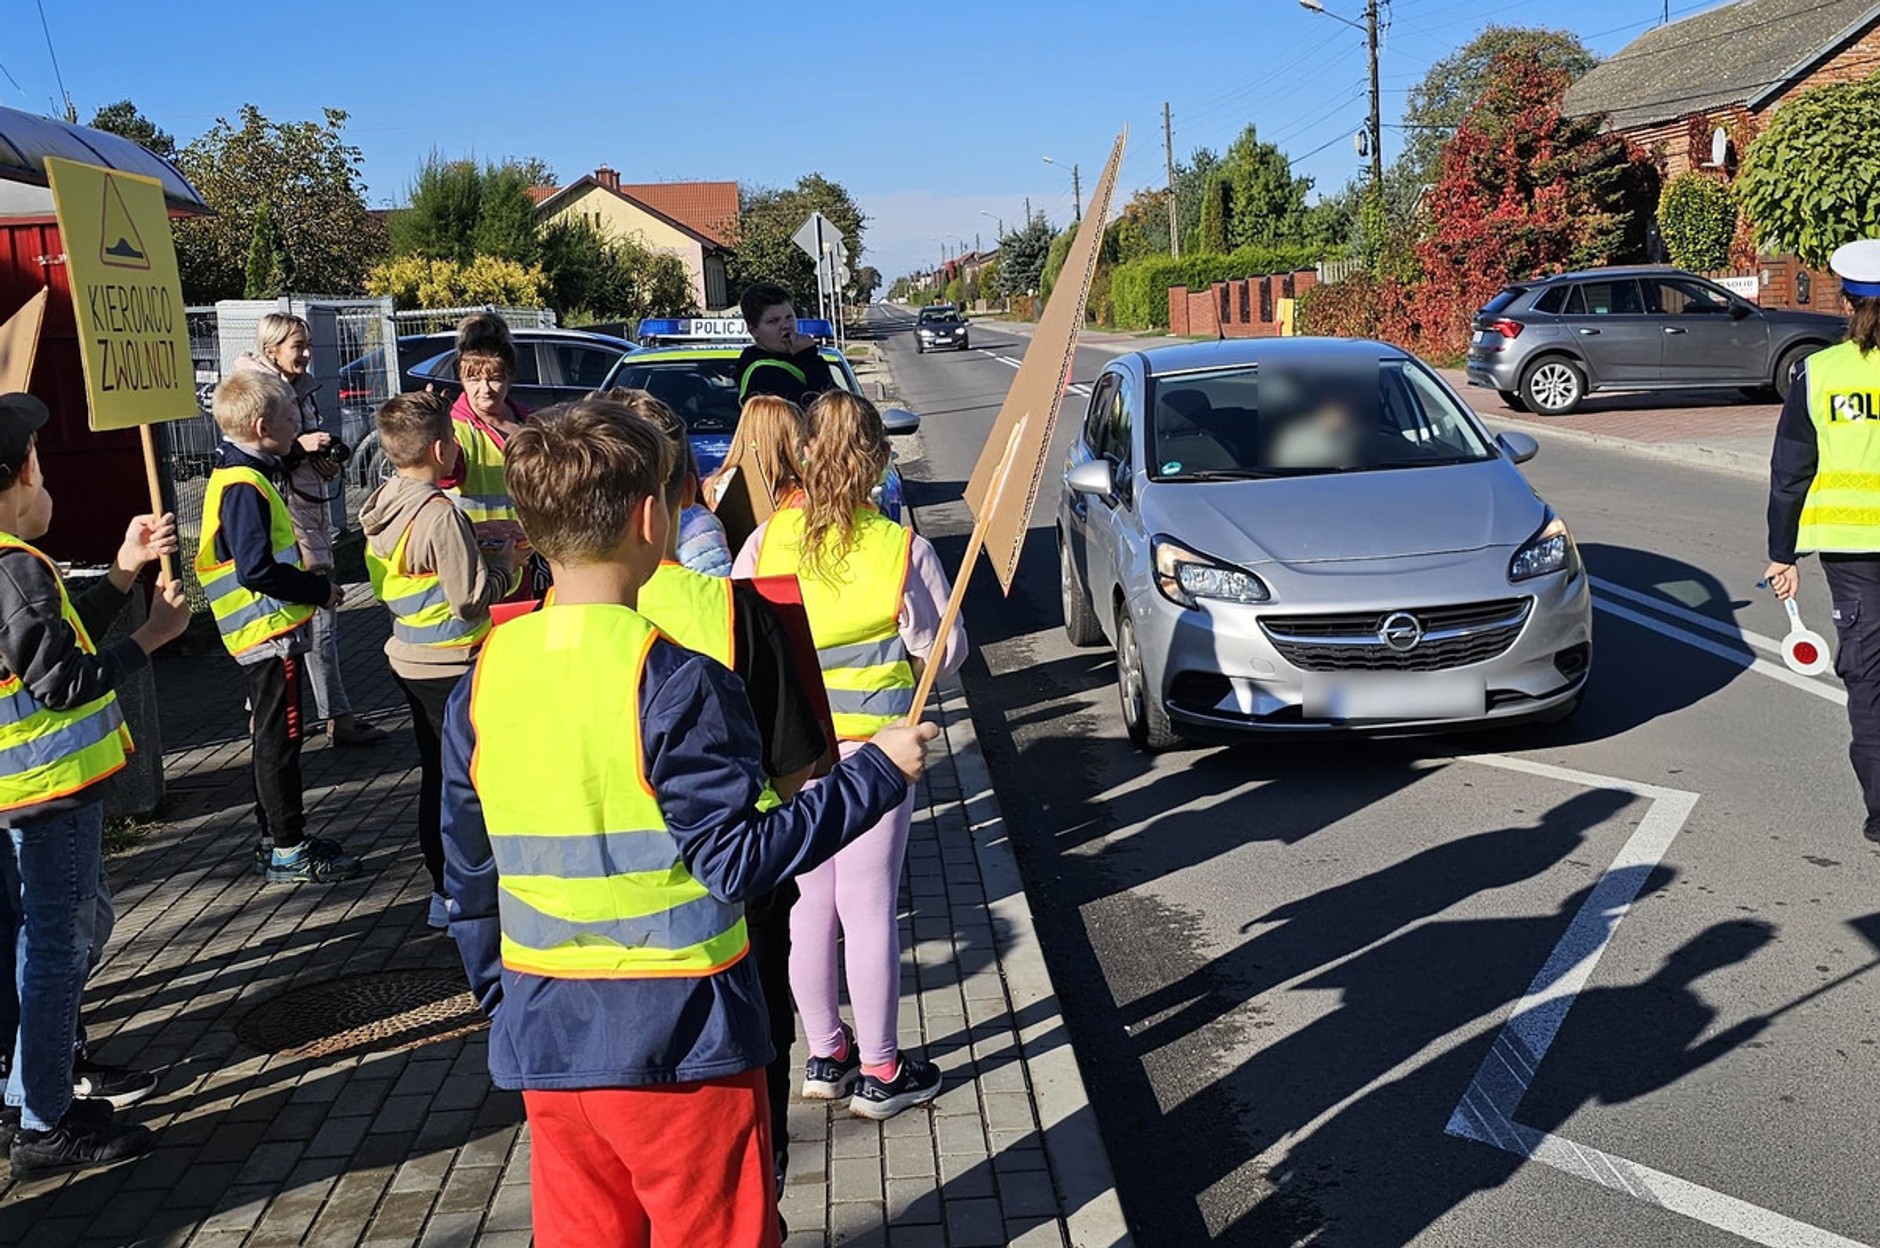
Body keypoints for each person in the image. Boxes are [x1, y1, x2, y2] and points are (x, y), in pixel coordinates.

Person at [438, 395, 936, 1247]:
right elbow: (738, 862)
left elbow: (468, 875)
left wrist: (503, 1000)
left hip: (548, 1039)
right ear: (650, 517)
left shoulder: (485, 677)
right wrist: (878, 774)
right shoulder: (674, 679)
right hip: (684, 1043)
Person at [621, 389, 829, 1211]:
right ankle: (763, 1187)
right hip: (737, 918)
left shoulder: (525, 634)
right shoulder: (737, 611)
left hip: (585, 966)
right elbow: (800, 778)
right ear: (686, 490)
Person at [734, 390, 967, 1119]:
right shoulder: (902, 549)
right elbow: (944, 654)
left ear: (804, 454)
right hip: (875, 758)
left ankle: (824, 1055)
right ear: (876, 462)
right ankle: (882, 1070)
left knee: (810, 906)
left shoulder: (766, 542)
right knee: (869, 911)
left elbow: (737, 630)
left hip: (791, 754)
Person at [0, 392, 191, 1177]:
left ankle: (30, 1093)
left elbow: (46, 638)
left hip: (26, 798)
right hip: (49, 797)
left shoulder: (14, 571)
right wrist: (153, 634)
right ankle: (45, 1123)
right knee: (60, 949)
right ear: (12, 481)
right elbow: (64, 679)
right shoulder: (14, 569)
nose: (48, 483)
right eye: (39, 467)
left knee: (37, 945)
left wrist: (119, 571)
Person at [360, 393, 522, 930]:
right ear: (439, 448)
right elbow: (470, 598)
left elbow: (415, 569)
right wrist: (505, 561)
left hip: (408, 657)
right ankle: (471, 893)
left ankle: (441, 887)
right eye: (453, 441)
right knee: (470, 782)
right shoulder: (440, 514)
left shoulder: (386, 502)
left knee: (436, 774)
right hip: (454, 662)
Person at [196, 370, 361, 884]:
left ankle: (277, 836)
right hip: (267, 635)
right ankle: (288, 846)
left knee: (274, 739)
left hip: (267, 633)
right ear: (265, 425)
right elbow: (256, 569)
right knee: (280, 741)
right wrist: (318, 590)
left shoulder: (244, 468)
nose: (300, 425)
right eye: (292, 418)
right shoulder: (244, 486)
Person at [1767, 237, 1880, 843]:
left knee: (1869, 678)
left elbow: (1790, 473)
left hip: (1853, 552)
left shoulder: (1820, 374)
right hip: (1855, 552)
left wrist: (1782, 555)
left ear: (1845, 302)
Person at [234, 314, 386, 748]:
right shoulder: (257, 395)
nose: (304, 353)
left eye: (305, 345)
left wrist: (319, 458)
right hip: (286, 520)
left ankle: (298, 717)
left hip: (306, 512)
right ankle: (327, 718)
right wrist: (298, 450)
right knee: (307, 618)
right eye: (296, 346)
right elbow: (253, 457)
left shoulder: (296, 387)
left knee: (304, 621)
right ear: (271, 350)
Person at [735, 283, 837, 406]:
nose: (786, 326)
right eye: (773, 321)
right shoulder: (763, 375)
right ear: (753, 330)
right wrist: (810, 359)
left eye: (789, 317)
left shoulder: (795, 359)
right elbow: (828, 409)